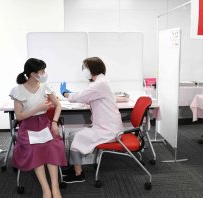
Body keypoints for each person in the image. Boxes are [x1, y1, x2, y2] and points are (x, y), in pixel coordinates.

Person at [9, 58, 67, 198]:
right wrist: (38, 108)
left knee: (52, 146)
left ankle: (55, 187)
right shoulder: (18, 90)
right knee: (34, 149)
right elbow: (19, 117)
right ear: (33, 73)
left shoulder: (45, 87)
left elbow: (58, 105)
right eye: (42, 71)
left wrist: (54, 122)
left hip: (44, 124)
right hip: (28, 127)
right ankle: (45, 188)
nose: (44, 73)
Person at [60, 57, 123, 183]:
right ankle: (76, 168)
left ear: (92, 69)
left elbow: (82, 95)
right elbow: (87, 96)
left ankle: (78, 175)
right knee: (72, 135)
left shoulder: (100, 84)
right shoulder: (100, 82)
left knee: (76, 137)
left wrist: (66, 94)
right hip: (104, 126)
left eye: (85, 68)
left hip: (108, 130)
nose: (83, 71)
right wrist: (74, 94)